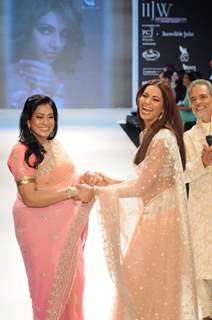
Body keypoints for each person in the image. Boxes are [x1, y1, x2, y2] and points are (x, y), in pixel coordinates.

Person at [75, 80, 199, 319]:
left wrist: (98, 192)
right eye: (145, 96)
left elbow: (141, 187)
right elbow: (144, 183)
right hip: (153, 217)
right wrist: (106, 181)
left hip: (162, 224)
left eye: (155, 99)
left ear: (164, 108)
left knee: (142, 285)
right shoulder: (148, 134)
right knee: (143, 286)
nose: (147, 102)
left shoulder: (163, 137)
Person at [7, 94, 95, 320]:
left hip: (66, 227)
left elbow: (65, 178)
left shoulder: (54, 144)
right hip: (38, 229)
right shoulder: (21, 151)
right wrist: (72, 192)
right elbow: (30, 197)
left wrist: (84, 179)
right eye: (39, 117)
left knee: (73, 283)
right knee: (49, 285)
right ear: (28, 120)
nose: (46, 122)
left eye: (50, 117)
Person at [7, 0, 84, 108]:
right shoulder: (5, 76)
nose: (56, 44)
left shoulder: (64, 80)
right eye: (46, 31)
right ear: (25, 29)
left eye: (64, 34)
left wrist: (58, 88)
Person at [184, 79, 212, 320]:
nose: (198, 103)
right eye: (193, 100)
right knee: (202, 273)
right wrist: (203, 162)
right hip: (201, 214)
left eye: (202, 97)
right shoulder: (189, 137)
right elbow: (182, 174)